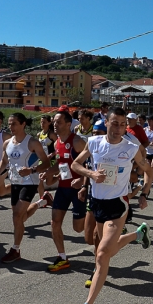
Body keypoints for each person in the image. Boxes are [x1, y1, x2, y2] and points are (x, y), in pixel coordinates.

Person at [67, 107, 153, 304]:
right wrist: (91, 175)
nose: (118, 128)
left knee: (102, 253)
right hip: (97, 202)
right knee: (101, 249)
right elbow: (76, 164)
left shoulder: (132, 147)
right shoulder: (94, 142)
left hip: (118, 204)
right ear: (106, 122)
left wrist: (144, 193)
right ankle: (138, 234)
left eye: (123, 124)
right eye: (114, 123)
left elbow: (148, 170)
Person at [0, 113, 51, 263]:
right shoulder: (7, 143)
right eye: (9, 124)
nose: (11, 127)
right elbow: (4, 161)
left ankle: (15, 249)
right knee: (21, 217)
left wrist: (31, 170)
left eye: (14, 123)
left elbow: (46, 163)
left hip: (30, 182)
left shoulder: (32, 143)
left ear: (23, 124)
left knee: (16, 217)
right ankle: (42, 202)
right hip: (15, 182)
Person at [39, 110, 88, 271]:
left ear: (68, 124)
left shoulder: (78, 141)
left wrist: (83, 181)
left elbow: (90, 165)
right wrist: (49, 172)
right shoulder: (56, 143)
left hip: (78, 190)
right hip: (63, 188)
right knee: (55, 223)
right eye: (54, 122)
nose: (55, 124)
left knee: (78, 228)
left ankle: (92, 216)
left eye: (58, 122)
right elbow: (59, 164)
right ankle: (62, 257)